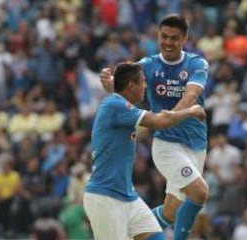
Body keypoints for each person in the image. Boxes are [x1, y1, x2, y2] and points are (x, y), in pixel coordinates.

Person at [100, 14, 210, 240]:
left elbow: (192, 94)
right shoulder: (147, 66)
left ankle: (131, 232)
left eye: (174, 38)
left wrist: (173, 114)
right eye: (164, 37)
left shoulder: (196, 63)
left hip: (197, 144)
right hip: (167, 145)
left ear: (185, 39)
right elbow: (121, 88)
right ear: (157, 36)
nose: (168, 42)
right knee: (199, 192)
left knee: (170, 212)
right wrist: (108, 83)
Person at [84, 62, 206, 240]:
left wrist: (113, 85)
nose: (146, 86)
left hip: (128, 196)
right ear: (131, 85)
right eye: (142, 81)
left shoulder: (120, 106)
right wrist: (191, 111)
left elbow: (148, 126)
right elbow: (159, 122)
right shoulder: (115, 105)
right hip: (105, 197)